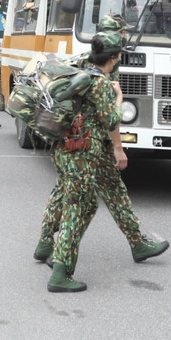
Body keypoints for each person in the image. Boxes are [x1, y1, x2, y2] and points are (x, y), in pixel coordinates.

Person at [34, 23, 168, 267]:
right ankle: (132, 244)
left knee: (64, 191)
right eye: (122, 34)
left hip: (68, 143)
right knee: (99, 198)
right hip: (92, 145)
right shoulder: (105, 74)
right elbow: (110, 119)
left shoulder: (82, 61)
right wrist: (118, 146)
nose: (125, 37)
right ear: (114, 54)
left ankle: (46, 241)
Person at [46, 32, 126, 292]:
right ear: (115, 58)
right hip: (80, 156)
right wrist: (119, 99)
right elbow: (111, 121)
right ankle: (60, 273)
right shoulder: (101, 83)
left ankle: (57, 255)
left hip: (63, 150)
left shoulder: (80, 74)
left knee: (87, 203)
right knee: (76, 209)